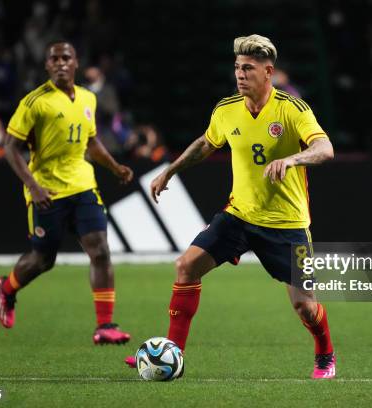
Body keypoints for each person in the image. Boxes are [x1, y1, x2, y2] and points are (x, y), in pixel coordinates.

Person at [126, 34, 336, 378]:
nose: (240, 74)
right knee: (186, 266)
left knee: (305, 306)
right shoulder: (226, 109)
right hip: (239, 215)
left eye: (248, 68)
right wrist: (170, 171)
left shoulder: (292, 109)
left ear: (268, 72)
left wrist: (294, 159)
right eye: (237, 67)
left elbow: (325, 149)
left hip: (288, 224)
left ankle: (325, 354)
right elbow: (206, 144)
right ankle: (170, 353)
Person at [0, 41, 134, 345]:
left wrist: (114, 167)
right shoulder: (35, 102)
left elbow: (91, 141)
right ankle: (8, 288)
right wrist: (33, 185)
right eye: (54, 59)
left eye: (66, 58)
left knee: (100, 250)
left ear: (76, 63)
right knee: (44, 260)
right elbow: (9, 147)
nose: (60, 63)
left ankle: (105, 326)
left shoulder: (87, 98)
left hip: (83, 185)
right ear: (47, 65)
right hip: (46, 190)